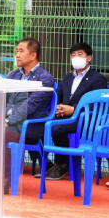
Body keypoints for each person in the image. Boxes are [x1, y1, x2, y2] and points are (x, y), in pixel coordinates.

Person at [0, 38, 55, 192]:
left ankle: (3, 179)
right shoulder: (13, 74)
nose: (17, 55)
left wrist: (7, 121)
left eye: (21, 51)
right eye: (16, 52)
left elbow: (30, 106)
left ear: (33, 55)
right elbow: (2, 99)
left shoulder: (45, 78)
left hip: (28, 126)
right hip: (7, 123)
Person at [44, 42, 107, 180]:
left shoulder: (97, 78)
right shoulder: (67, 78)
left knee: (57, 129)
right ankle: (52, 164)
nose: (76, 57)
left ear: (89, 58)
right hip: (65, 117)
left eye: (80, 54)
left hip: (87, 120)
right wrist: (58, 108)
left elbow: (98, 104)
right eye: (73, 55)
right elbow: (58, 96)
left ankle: (62, 165)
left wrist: (73, 110)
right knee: (42, 125)